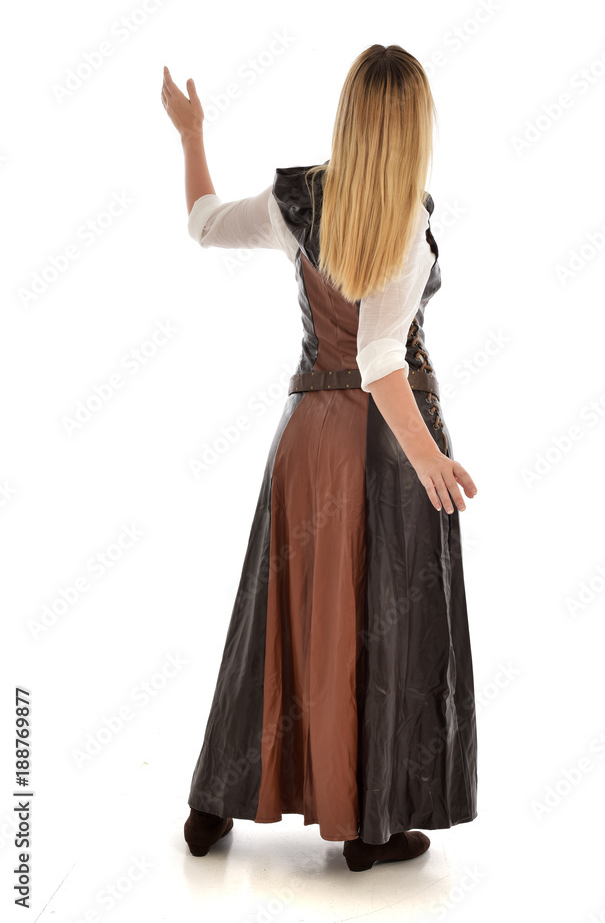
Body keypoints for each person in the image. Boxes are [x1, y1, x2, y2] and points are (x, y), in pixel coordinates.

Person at [161, 44, 478, 873]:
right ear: (411, 125)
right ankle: (365, 826)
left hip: (307, 439)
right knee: (378, 618)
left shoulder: (297, 200)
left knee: (283, 614)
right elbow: (381, 359)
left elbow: (202, 224)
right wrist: (429, 461)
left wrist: (191, 134)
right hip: (381, 443)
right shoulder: (405, 218)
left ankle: (212, 805)